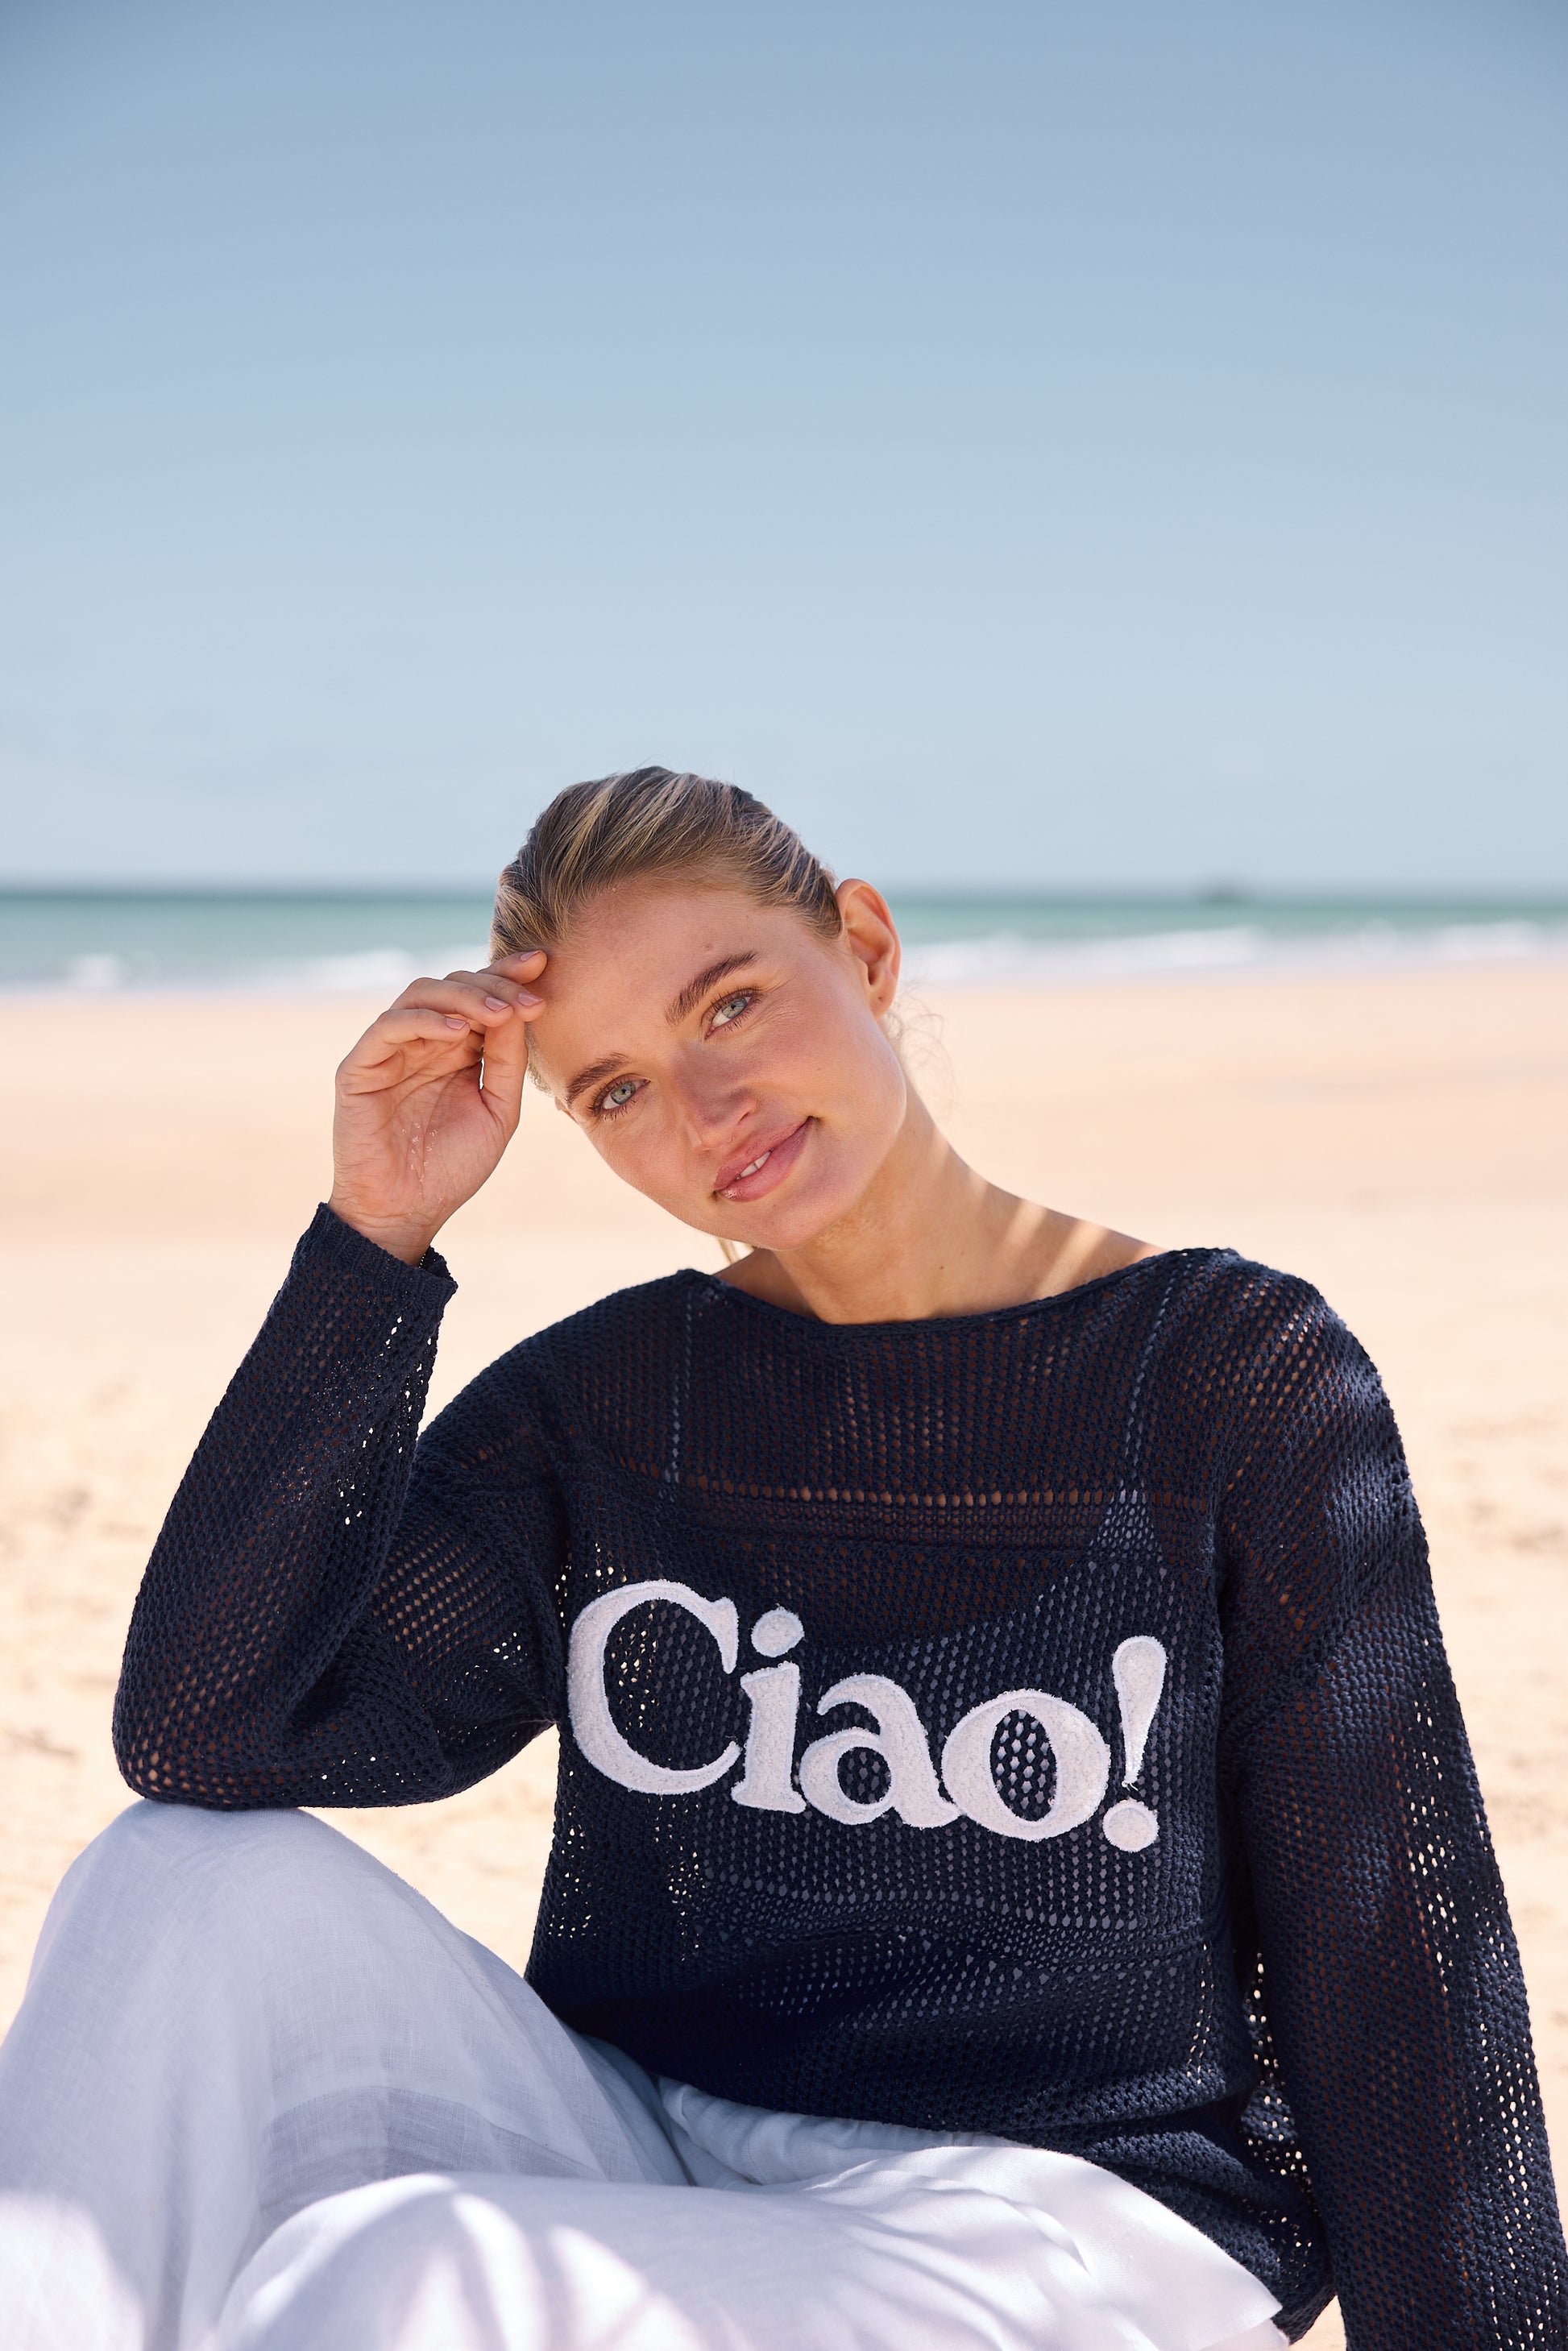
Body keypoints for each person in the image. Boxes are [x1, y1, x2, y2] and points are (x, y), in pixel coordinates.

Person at [0, 769, 1562, 2351]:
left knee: (411, 2269)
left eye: (730, 1005)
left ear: (864, 947)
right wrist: (372, 1237)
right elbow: (209, 1730)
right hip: (653, 2147)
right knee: (170, 1874)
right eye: (615, 1089)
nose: (703, 1109)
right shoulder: (609, 1404)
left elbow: (1396, 1958)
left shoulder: (1226, 1375)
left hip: (1062, 2223)